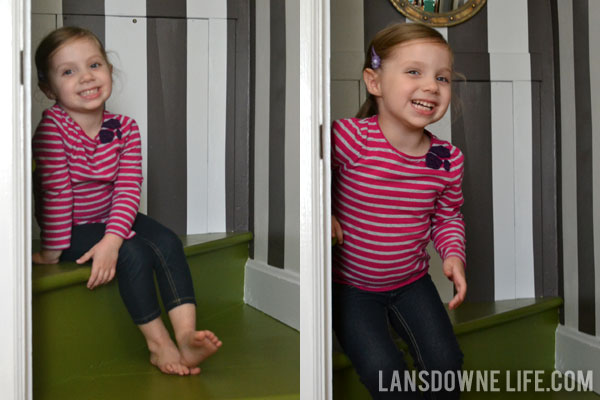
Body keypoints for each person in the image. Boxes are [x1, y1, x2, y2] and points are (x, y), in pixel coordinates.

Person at [32, 26, 221, 376]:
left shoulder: (125, 127)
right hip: (72, 225)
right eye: (69, 71)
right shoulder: (52, 131)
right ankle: (158, 344)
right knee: (134, 253)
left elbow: (127, 187)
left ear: (109, 70)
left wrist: (112, 236)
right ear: (48, 88)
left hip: (113, 218)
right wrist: (51, 252)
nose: (86, 77)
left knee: (165, 241)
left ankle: (185, 337)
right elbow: (56, 196)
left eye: (94, 65)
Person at [331, 23, 466, 399]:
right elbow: (307, 174)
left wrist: (453, 255)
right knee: (384, 372)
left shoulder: (447, 160)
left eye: (442, 77)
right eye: (413, 72)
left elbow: (448, 215)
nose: (431, 86)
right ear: (374, 83)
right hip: (352, 289)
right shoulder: (350, 139)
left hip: (411, 282)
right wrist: (323, 211)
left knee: (446, 365)